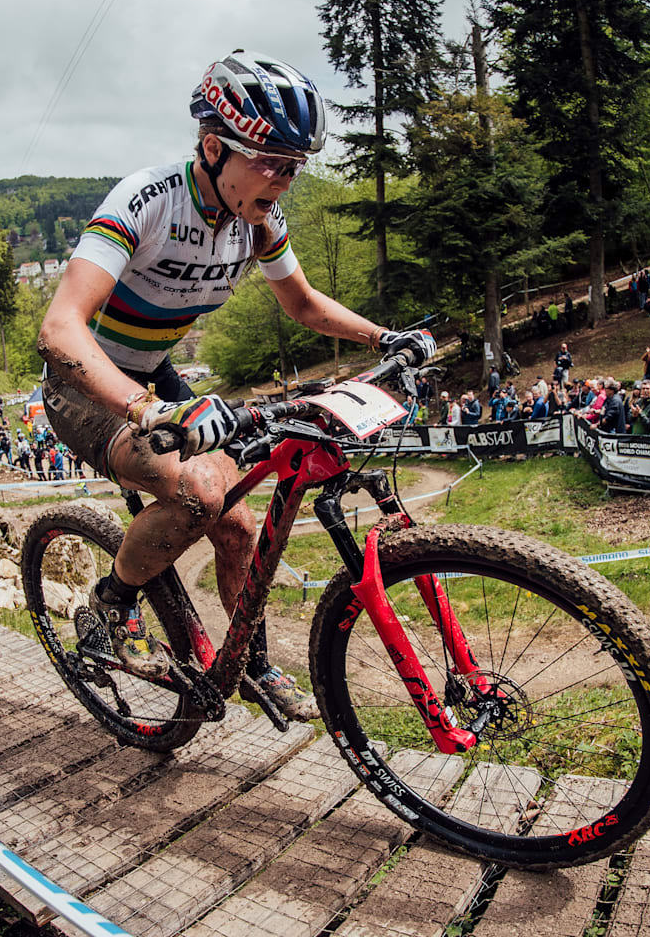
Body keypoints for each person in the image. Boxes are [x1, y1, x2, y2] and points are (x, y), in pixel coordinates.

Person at [37, 50, 435, 721]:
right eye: (273, 163)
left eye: (295, 167)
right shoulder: (147, 200)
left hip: (158, 377)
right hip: (88, 389)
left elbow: (304, 305)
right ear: (215, 147)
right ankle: (110, 604)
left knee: (239, 526)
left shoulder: (256, 220)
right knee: (200, 492)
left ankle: (253, 665)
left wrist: (384, 338)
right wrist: (146, 406)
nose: (285, 181)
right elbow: (59, 328)